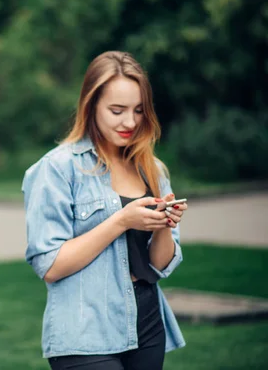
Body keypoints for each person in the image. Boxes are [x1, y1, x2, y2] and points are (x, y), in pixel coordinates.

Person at [22, 51, 186, 370]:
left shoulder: (152, 169)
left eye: (138, 110)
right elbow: (49, 265)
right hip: (85, 330)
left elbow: (161, 264)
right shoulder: (57, 169)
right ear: (91, 105)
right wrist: (122, 220)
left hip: (147, 322)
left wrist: (164, 222)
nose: (130, 122)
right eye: (117, 110)